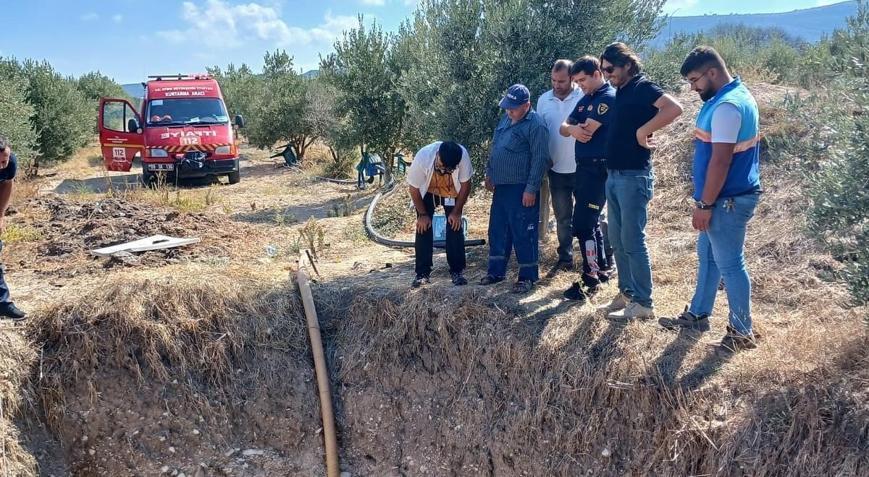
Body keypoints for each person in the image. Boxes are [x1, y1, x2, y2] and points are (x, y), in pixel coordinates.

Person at [659, 46, 762, 352]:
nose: (693, 88)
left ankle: (741, 332)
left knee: (730, 264)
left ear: (712, 73)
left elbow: (721, 161)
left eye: (695, 80)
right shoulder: (729, 97)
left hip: (726, 200)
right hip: (723, 198)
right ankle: (698, 314)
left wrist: (705, 205)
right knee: (708, 256)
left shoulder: (727, 107)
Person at [599, 42, 683, 321]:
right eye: (603, 70)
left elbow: (674, 108)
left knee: (632, 240)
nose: (607, 74)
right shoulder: (622, 90)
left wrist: (643, 131)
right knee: (617, 239)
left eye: (610, 68)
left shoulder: (642, 86)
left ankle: (644, 303)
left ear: (627, 65)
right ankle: (627, 294)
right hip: (615, 175)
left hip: (633, 176)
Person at [481, 84, 550, 294]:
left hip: (521, 188)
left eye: (513, 108)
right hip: (501, 187)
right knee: (498, 229)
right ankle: (496, 272)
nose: (508, 111)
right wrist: (490, 173)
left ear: (526, 106)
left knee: (523, 231)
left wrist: (531, 188)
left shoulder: (536, 125)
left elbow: (540, 158)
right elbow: (495, 146)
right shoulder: (506, 120)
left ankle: (527, 276)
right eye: (507, 107)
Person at [559, 56, 616, 302]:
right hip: (584, 169)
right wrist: (571, 128)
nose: (579, 86)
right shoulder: (585, 100)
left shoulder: (607, 98)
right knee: (589, 223)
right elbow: (564, 128)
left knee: (583, 224)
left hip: (598, 170)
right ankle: (600, 269)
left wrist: (573, 128)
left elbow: (586, 131)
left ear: (597, 74)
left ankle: (590, 277)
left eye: (583, 80)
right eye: (577, 81)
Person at [536, 59, 584, 271]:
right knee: (562, 217)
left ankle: (595, 258)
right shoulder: (543, 100)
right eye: (553, 80)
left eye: (561, 81)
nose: (557, 85)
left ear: (572, 78)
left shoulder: (584, 96)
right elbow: (540, 133)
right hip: (556, 170)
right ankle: (565, 257)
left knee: (590, 216)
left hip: (584, 168)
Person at [406, 141, 473, 288]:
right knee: (423, 227)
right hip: (428, 190)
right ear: (437, 155)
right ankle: (422, 273)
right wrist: (422, 215)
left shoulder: (462, 156)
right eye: (440, 166)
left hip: (451, 190)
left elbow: (466, 185)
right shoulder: (423, 157)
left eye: (447, 169)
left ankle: (457, 271)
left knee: (454, 225)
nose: (442, 171)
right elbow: (414, 189)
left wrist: (457, 212)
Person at [0, 138, 26, 321]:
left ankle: (3, 304)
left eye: (4, 160)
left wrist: (0, 215)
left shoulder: (10, 163)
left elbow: (7, 184)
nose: (2, 166)